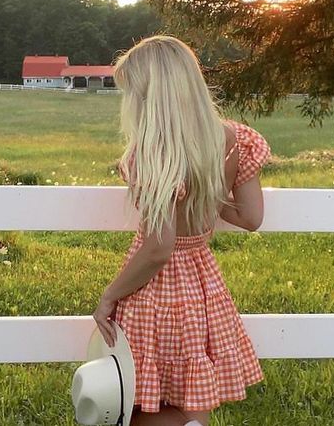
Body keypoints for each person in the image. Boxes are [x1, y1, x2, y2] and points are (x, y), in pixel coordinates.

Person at [92, 35, 271, 426]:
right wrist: (208, 188)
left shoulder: (153, 153)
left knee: (133, 405)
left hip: (155, 291)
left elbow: (158, 247)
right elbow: (251, 217)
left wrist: (108, 297)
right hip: (201, 280)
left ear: (151, 96)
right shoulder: (232, 139)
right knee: (192, 389)